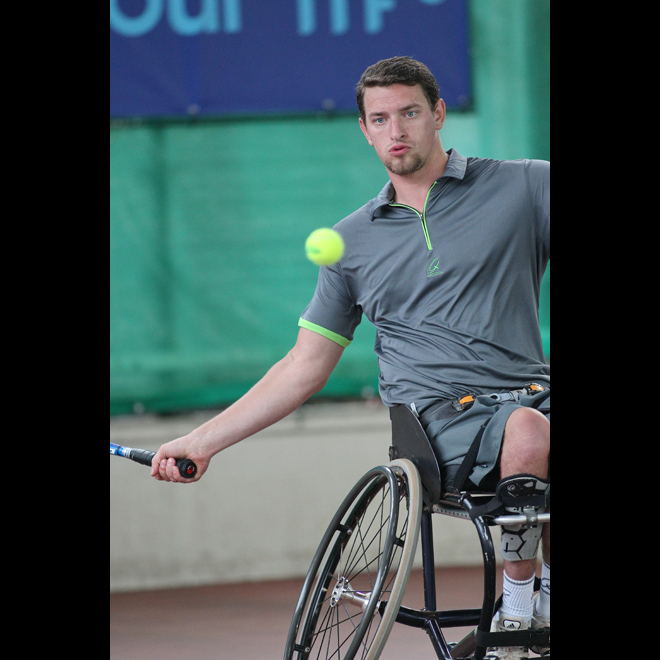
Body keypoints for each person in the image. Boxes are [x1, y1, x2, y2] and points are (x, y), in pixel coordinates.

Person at [151, 57, 550, 659]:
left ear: (437, 114)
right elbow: (303, 366)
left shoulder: (524, 187)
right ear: (365, 130)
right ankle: (523, 608)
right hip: (438, 425)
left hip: (532, 396)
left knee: (533, 422)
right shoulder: (351, 242)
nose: (398, 131)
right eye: (381, 118)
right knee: (528, 429)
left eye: (411, 113)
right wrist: (202, 441)